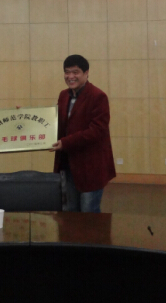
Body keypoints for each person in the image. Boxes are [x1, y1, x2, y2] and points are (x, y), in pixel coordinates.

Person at [50, 55, 116, 213]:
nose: (70, 76)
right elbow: (54, 123)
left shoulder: (98, 96)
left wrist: (65, 143)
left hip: (90, 167)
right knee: (69, 212)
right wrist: (25, 119)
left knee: (88, 213)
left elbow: (97, 131)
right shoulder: (63, 95)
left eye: (75, 72)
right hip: (67, 165)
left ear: (86, 73)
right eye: (67, 72)